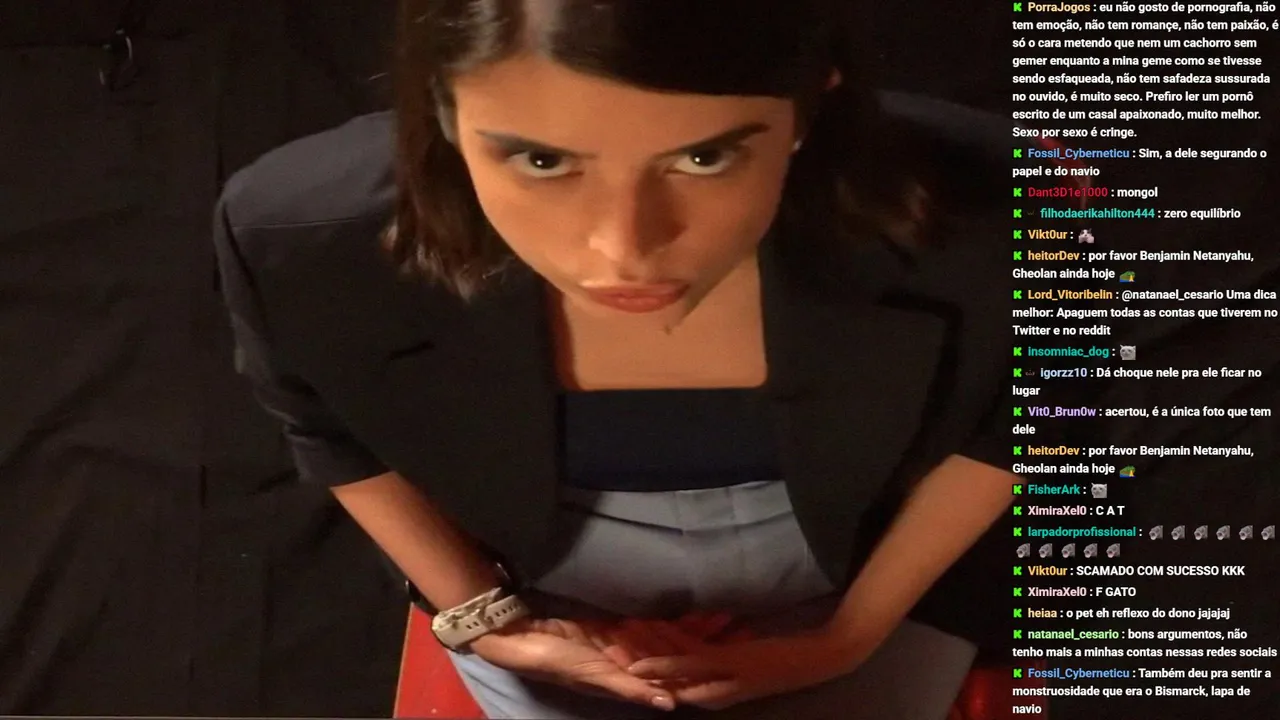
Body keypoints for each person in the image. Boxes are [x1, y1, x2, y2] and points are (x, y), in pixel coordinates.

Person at [212, 1, 1033, 717]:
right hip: (538, 566)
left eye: (704, 158)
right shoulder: (300, 237)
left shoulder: (1010, 213)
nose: (625, 250)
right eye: (542, 161)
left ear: (810, 105)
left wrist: (847, 638)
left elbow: (1021, 417)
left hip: (875, 554)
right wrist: (483, 618)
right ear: (444, 109)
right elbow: (321, 420)